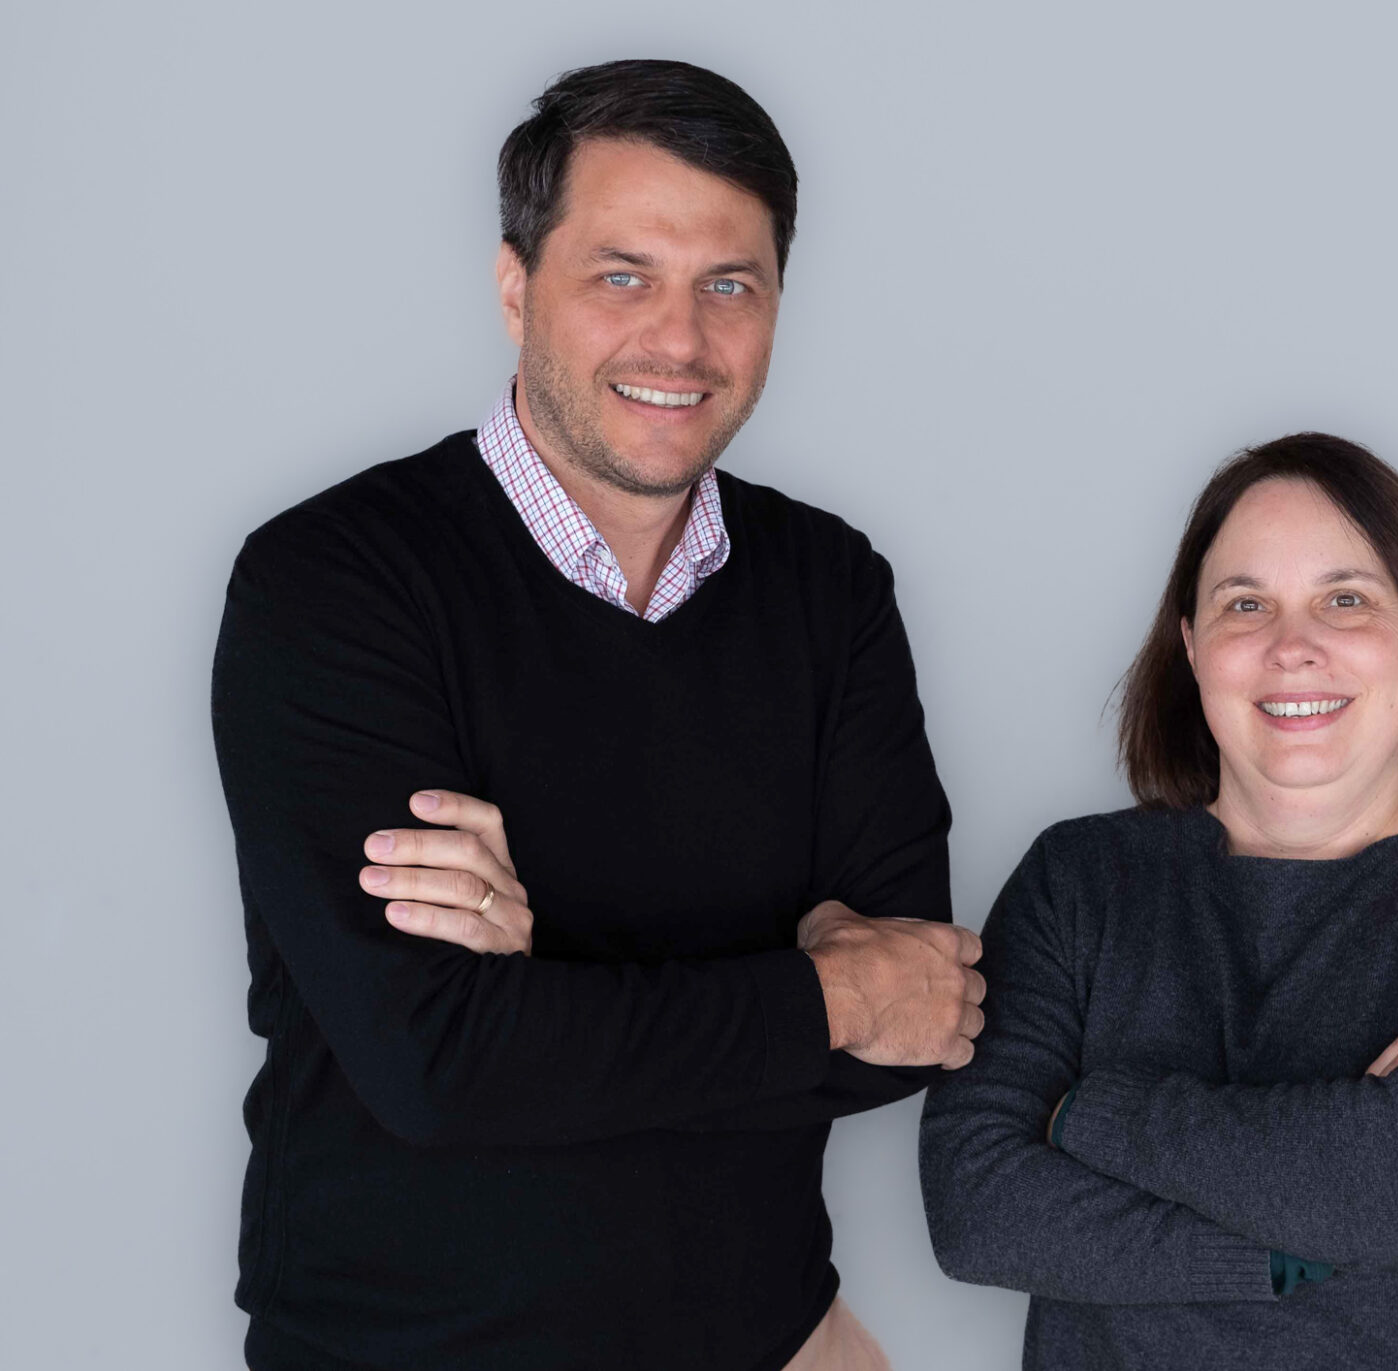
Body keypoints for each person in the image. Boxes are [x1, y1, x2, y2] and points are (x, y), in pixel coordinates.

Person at [211, 59, 984, 1371]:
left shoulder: (829, 585)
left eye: (728, 285)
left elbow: (915, 1022)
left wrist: (547, 996)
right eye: (622, 276)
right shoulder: (336, 581)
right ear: (517, 288)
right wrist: (822, 989)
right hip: (420, 1351)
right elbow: (437, 1065)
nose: (678, 340)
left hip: (774, 1338)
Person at [919, 434, 1398, 1369]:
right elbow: (978, 1209)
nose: (1293, 647)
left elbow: (1393, 1184)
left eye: (1346, 599)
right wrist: (1293, 1245)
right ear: (1193, 647)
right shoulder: (1077, 880)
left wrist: (1087, 1114)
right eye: (1246, 604)